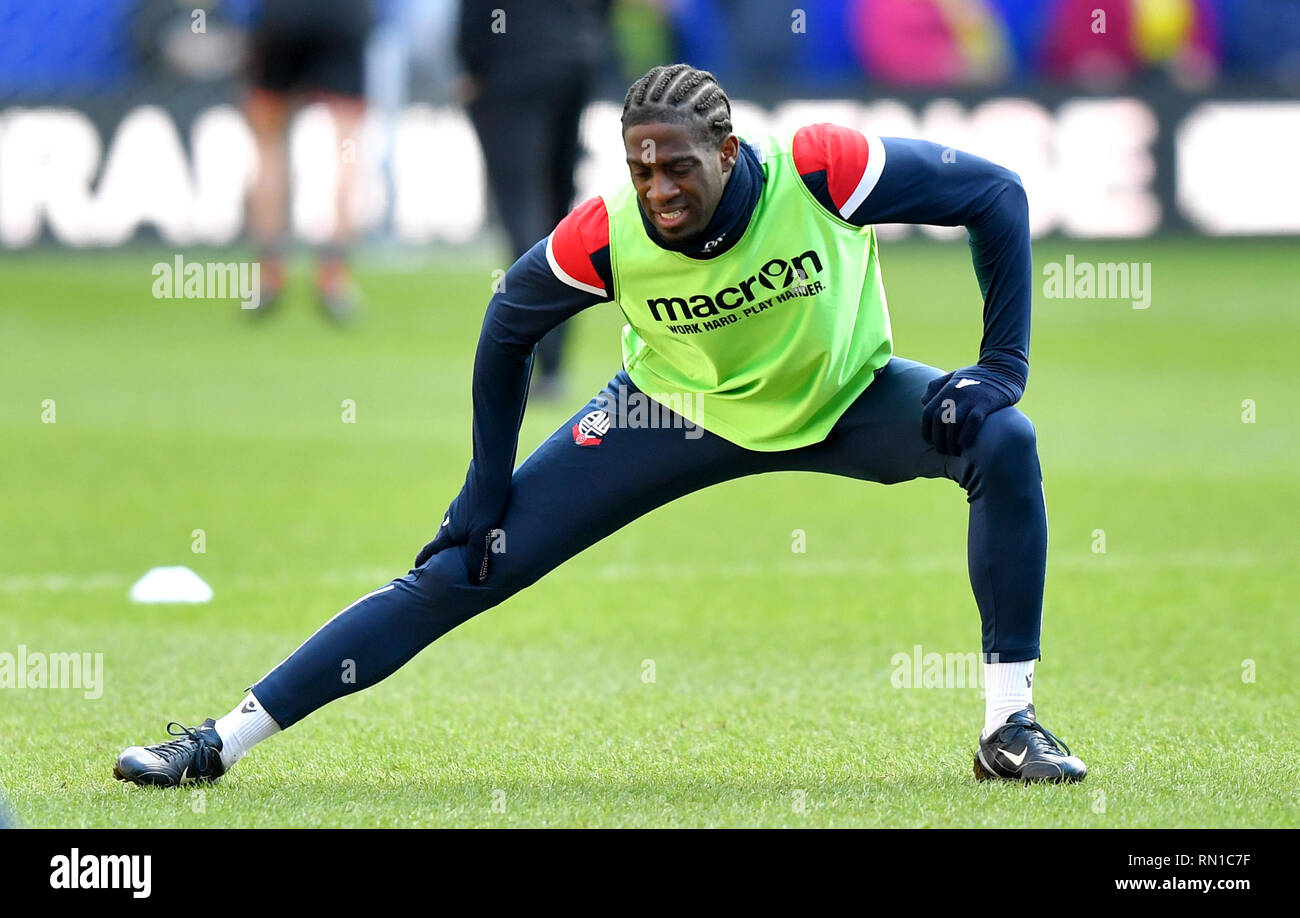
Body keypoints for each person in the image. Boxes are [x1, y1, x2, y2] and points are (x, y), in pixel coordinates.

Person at [114, 64, 1085, 789]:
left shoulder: (822, 170)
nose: (659, 188)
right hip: (663, 410)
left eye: (679, 165)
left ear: (729, 154)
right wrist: (481, 487)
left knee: (1005, 443)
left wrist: (999, 370)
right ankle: (217, 742)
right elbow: (506, 329)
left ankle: (1009, 731)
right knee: (462, 567)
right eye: (641, 166)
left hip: (842, 400)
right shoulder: (606, 232)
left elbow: (993, 195)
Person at [457, 0, 612, 400]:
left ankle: (527, 354)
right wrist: (589, 41)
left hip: (511, 63)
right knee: (558, 210)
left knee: (523, 208)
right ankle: (555, 362)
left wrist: (471, 64)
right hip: (575, 58)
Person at [243, 0, 373, 322]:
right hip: (343, 16)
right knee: (347, 145)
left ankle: (268, 274)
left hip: (284, 16)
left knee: (268, 144)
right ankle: (334, 277)